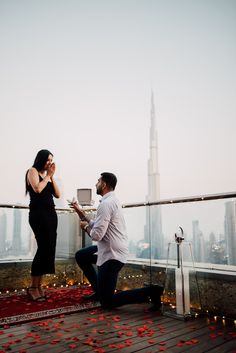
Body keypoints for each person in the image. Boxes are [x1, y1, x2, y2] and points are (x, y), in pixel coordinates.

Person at [72, 172, 163, 310]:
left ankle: (152, 292)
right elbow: (96, 224)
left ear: (104, 184)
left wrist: (85, 228)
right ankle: (100, 291)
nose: (96, 184)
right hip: (110, 249)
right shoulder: (112, 201)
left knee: (107, 302)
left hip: (112, 255)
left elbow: (97, 235)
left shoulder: (106, 204)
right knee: (81, 256)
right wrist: (80, 213)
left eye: (98, 181)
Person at [25, 149, 60, 301]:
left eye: (51, 160)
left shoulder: (48, 176)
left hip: (51, 214)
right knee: (43, 248)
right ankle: (33, 287)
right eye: (47, 160)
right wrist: (48, 176)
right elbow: (37, 189)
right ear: (41, 159)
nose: (49, 163)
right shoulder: (32, 171)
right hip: (38, 215)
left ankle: (39, 286)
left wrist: (52, 177)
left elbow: (57, 194)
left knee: (48, 248)